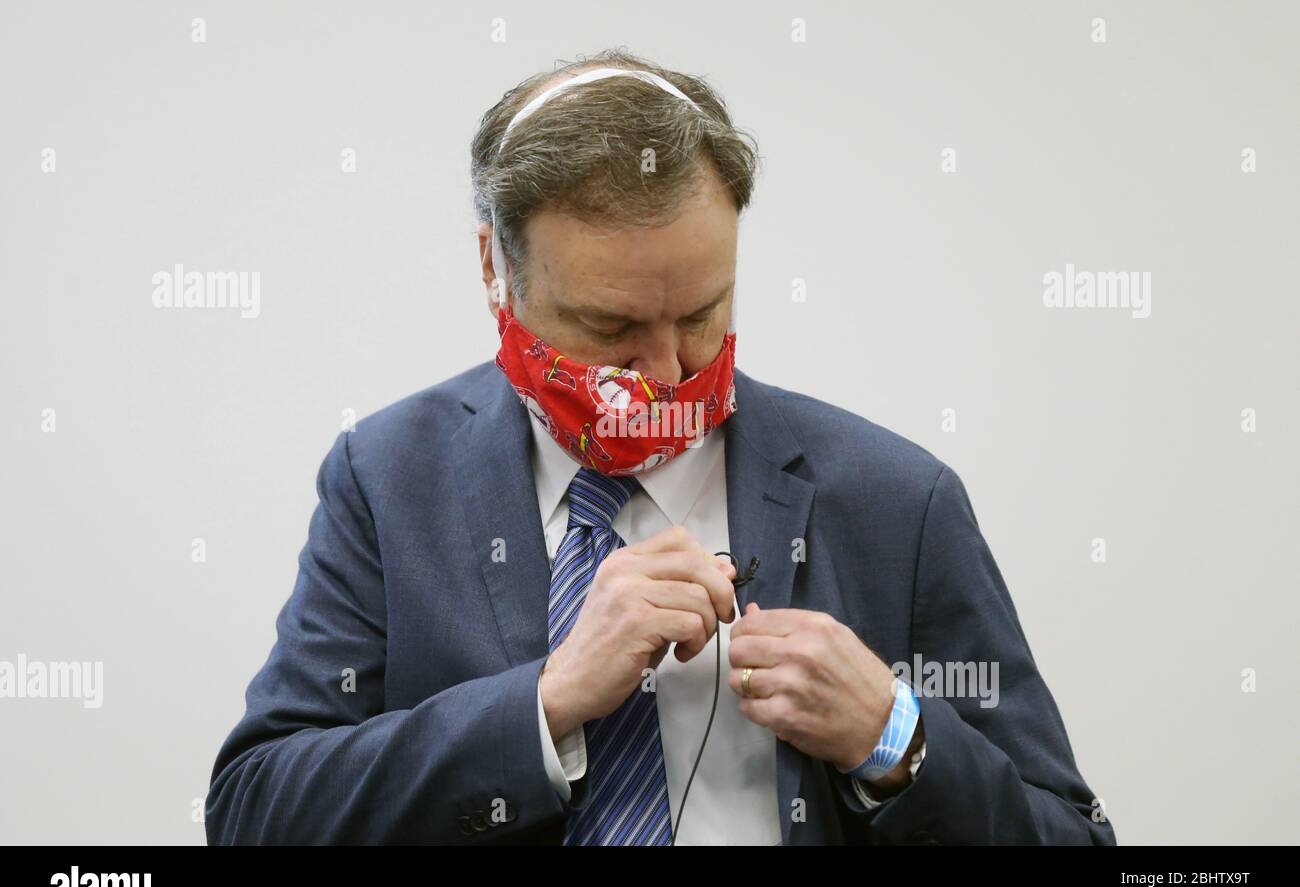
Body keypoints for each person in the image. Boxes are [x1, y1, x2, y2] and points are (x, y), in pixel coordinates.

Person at [205, 49, 1115, 845]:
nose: (670, 373)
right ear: (495, 268)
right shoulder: (387, 479)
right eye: (610, 326)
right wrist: (543, 704)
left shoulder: (896, 501)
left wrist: (893, 739)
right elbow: (254, 812)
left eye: (701, 314)